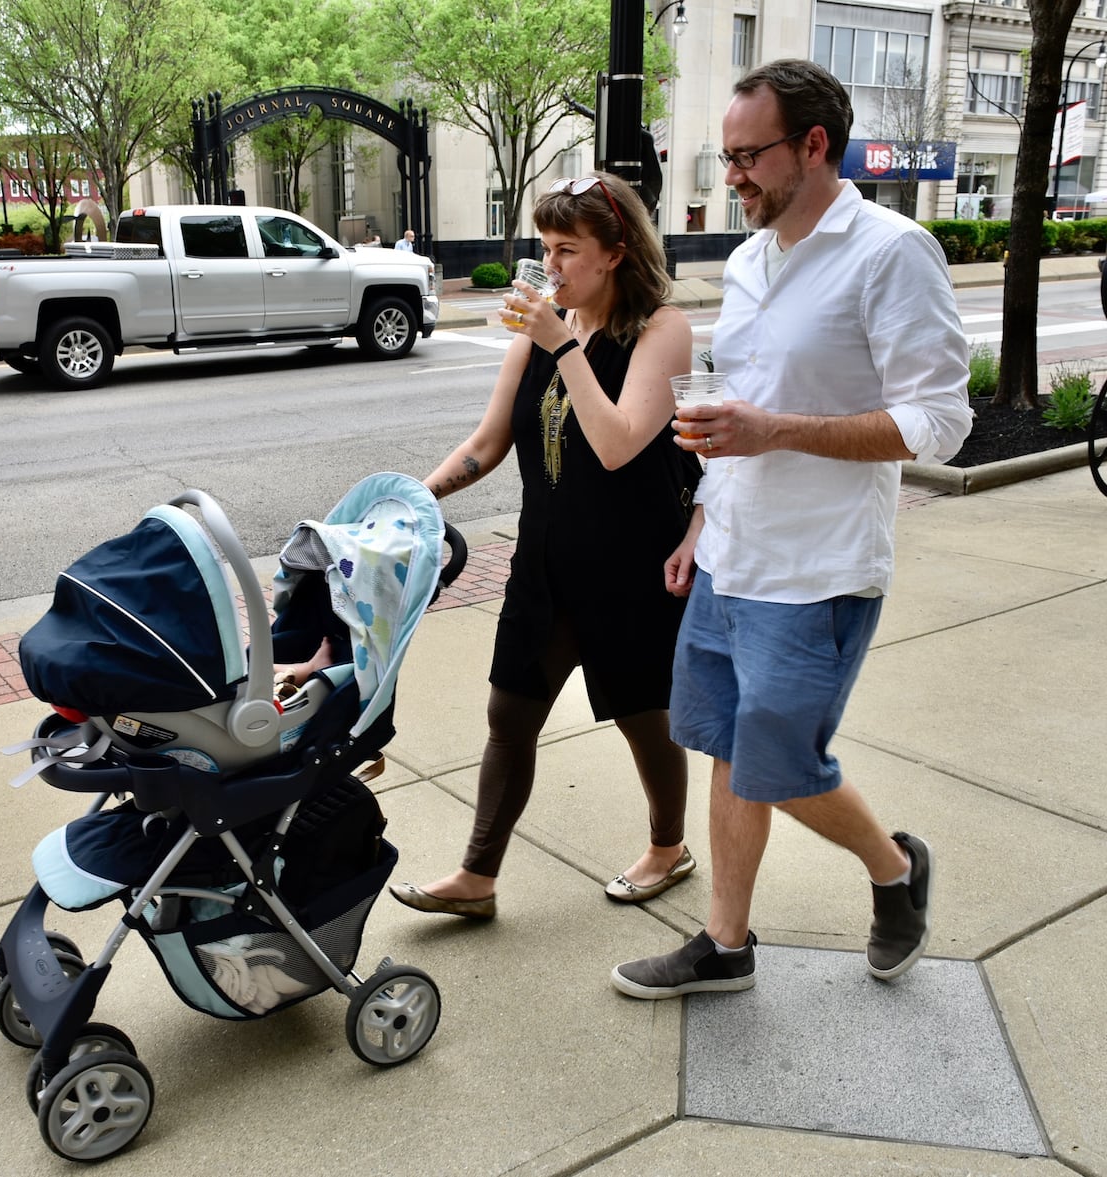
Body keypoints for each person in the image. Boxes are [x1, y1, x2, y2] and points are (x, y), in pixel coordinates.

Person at [610, 59, 973, 999]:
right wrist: (700, 516)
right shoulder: (748, 258)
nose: (730, 176)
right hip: (733, 554)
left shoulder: (892, 252)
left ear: (814, 145)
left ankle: (896, 869)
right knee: (730, 745)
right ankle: (726, 942)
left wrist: (772, 432)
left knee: (782, 764)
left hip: (818, 569)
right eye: (723, 156)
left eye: (746, 156)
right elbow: (748, 405)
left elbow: (938, 420)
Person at [388, 172, 698, 921]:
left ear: (616, 252)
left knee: (642, 714)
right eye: (545, 248)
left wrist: (562, 346)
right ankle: (477, 875)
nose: (550, 266)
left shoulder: (662, 329)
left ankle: (668, 846)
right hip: (545, 561)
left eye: (567, 249)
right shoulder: (543, 330)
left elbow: (620, 444)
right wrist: (412, 501)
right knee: (510, 713)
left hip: (632, 565)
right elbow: (490, 442)